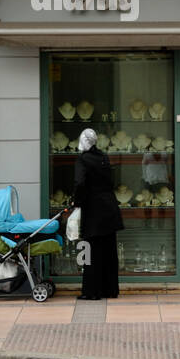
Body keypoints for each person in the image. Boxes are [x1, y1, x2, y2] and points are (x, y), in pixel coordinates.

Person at [73, 128, 123, 300]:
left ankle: (92, 291)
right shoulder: (104, 158)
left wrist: (76, 202)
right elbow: (111, 181)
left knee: (90, 252)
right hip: (109, 208)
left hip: (93, 210)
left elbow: (80, 183)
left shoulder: (82, 160)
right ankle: (110, 289)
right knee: (109, 251)